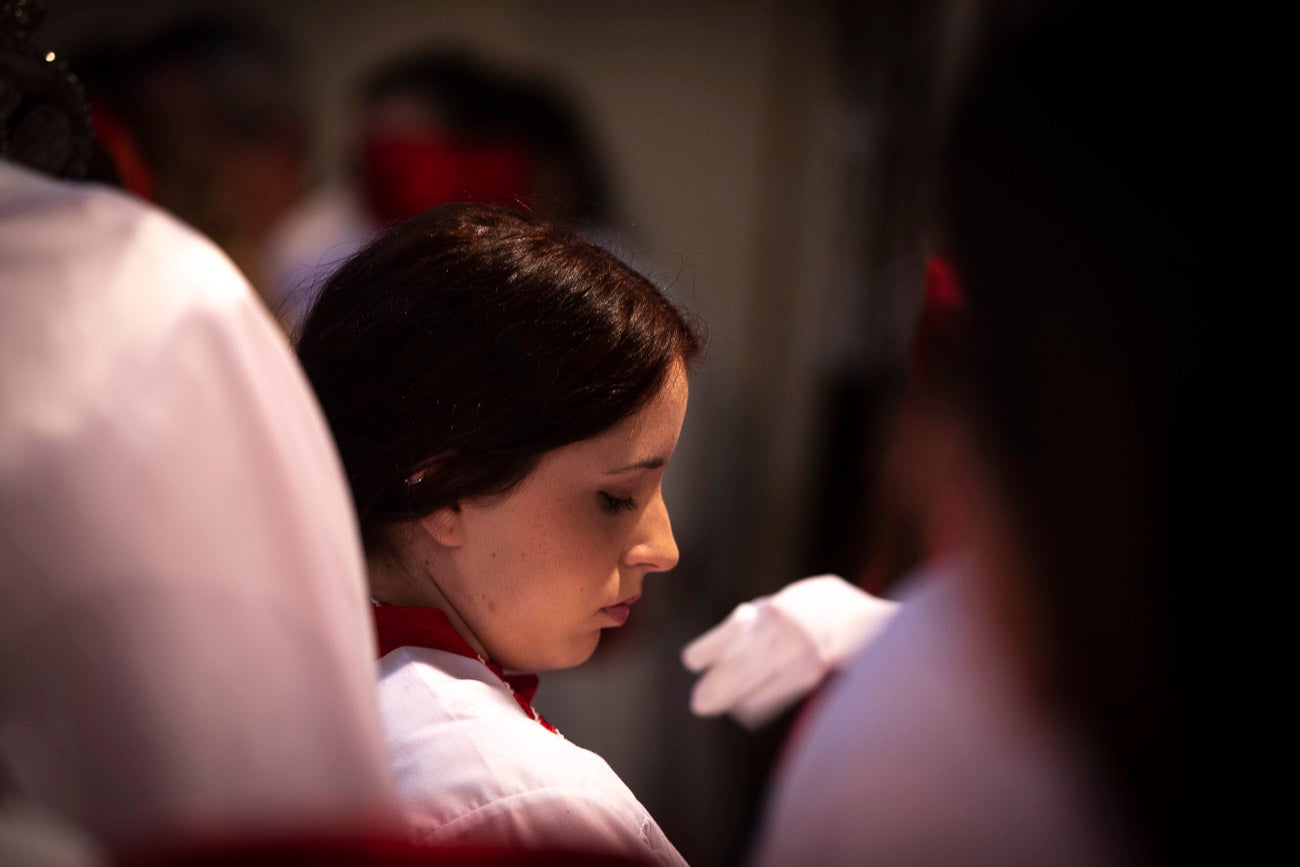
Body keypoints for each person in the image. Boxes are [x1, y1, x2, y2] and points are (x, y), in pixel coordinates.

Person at [295, 202, 702, 865]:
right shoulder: (524, 804)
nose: (662, 548)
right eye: (616, 496)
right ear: (441, 490)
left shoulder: (257, 699)